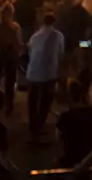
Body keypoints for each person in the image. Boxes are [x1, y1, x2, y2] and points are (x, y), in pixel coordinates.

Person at [24, 11, 63, 140]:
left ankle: (32, 126)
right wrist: (87, 44)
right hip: (48, 74)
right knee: (46, 101)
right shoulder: (58, 36)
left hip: (33, 73)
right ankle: (40, 125)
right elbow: (61, 53)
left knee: (32, 101)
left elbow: (30, 51)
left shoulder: (35, 36)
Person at [0, 1, 23, 115]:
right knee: (9, 82)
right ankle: (9, 106)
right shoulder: (15, 27)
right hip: (10, 57)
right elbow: (18, 43)